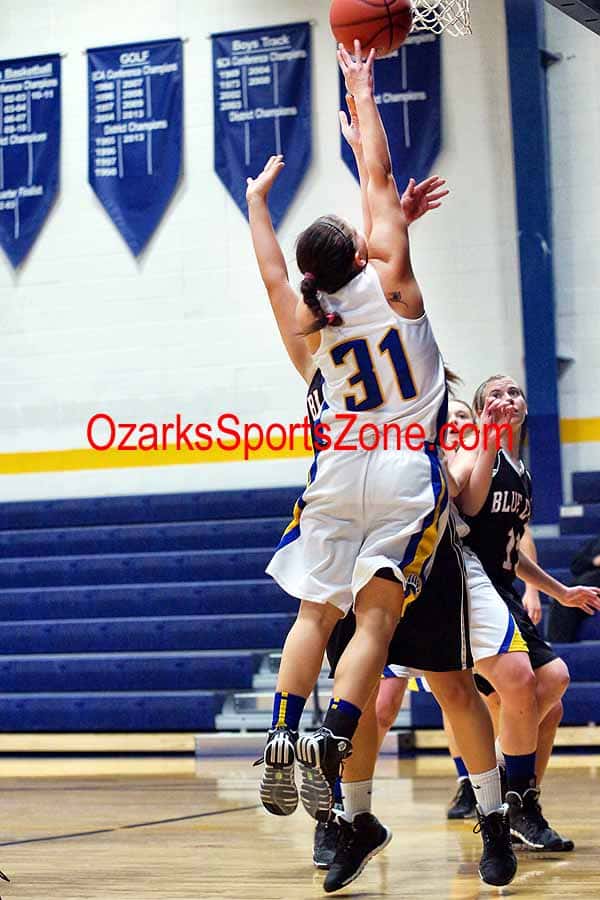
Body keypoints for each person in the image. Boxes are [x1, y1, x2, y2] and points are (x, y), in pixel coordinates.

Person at [247, 58, 518, 889]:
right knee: (374, 643)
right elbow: (378, 176)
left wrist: (256, 205)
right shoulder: (396, 287)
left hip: (340, 483)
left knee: (354, 635)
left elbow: (277, 271)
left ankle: (294, 732)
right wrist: (362, 92)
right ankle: (343, 777)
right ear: (362, 253)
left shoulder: (309, 331)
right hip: (406, 485)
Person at [450, 374, 600, 849]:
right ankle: (511, 796)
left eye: (513, 391)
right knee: (529, 688)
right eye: (494, 394)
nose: (506, 398)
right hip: (471, 589)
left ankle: (508, 793)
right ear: (479, 410)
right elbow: (468, 503)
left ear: (525, 406)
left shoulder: (522, 471)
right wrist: (485, 438)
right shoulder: (474, 450)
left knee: (552, 691)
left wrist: (560, 591)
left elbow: (512, 552)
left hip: (504, 587)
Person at [547, 534, 600, 642]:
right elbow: (576, 566)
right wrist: (594, 561)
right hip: (590, 587)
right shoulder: (597, 543)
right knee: (565, 598)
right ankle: (559, 648)